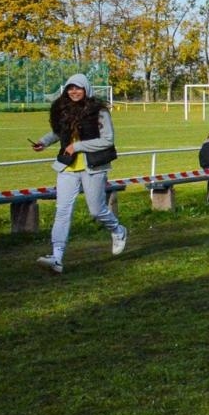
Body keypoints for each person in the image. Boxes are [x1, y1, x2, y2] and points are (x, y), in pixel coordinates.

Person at [29, 73, 128, 274]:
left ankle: (118, 230)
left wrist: (78, 146)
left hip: (94, 166)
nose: (74, 91)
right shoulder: (63, 110)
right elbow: (59, 132)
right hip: (67, 167)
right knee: (63, 210)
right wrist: (43, 142)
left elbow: (107, 140)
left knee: (96, 210)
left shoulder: (99, 112)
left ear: (86, 89)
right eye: (70, 88)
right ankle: (57, 257)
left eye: (78, 88)